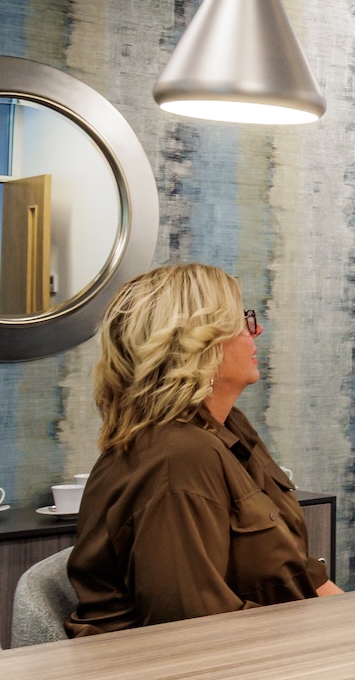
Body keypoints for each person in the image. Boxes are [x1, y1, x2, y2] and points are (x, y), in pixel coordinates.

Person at [67, 264, 340, 637]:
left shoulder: (228, 427)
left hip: (268, 645)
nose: (256, 330)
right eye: (243, 321)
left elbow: (299, 574)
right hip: (175, 678)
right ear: (199, 343)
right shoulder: (177, 458)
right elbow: (194, 632)